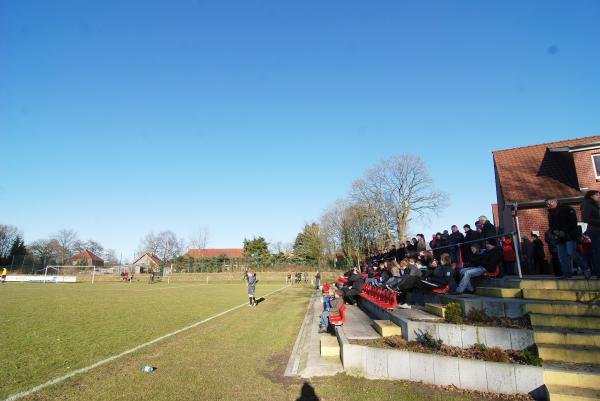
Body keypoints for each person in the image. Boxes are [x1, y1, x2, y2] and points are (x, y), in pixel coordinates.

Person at [546, 197, 591, 279]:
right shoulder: (550, 213)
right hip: (559, 237)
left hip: (570, 235)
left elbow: (573, 221)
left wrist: (564, 231)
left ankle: (586, 268)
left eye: (549, 203)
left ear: (555, 201)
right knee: (562, 256)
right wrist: (554, 232)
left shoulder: (567, 209)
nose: (548, 205)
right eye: (547, 204)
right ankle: (567, 274)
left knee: (571, 252)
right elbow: (551, 225)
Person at [582, 190, 600, 279]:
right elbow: (585, 218)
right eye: (597, 195)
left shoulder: (596, 205)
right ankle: (598, 272)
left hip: (597, 229)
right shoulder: (587, 205)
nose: (599, 196)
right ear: (591, 196)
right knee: (597, 251)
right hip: (594, 231)